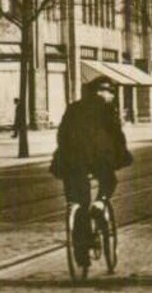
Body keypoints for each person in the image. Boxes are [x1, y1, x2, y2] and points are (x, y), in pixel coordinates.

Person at [53, 78, 132, 267]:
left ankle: (81, 251)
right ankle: (100, 202)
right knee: (109, 180)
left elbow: (61, 134)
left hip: (71, 160)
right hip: (98, 158)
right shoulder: (106, 109)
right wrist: (122, 155)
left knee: (77, 200)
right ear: (105, 93)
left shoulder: (73, 108)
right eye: (111, 93)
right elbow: (117, 136)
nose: (112, 97)